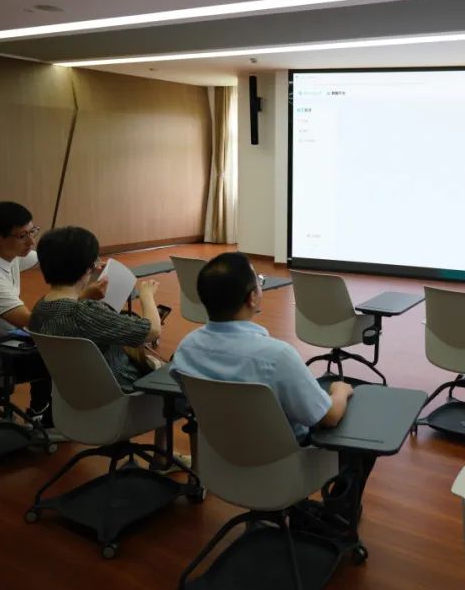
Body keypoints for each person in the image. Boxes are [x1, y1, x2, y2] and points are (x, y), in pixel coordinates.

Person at [171, 252, 357, 527]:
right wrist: (341, 391)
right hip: (282, 467)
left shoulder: (186, 349)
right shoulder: (277, 357)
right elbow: (327, 417)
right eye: (258, 281)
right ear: (252, 298)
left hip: (220, 460)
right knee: (356, 435)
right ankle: (335, 524)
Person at [0, 202, 104, 433]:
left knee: (53, 339)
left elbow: (48, 259)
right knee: (60, 349)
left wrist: (85, 263)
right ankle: (42, 416)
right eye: (23, 236)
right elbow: (35, 322)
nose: (31, 242)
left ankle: (43, 409)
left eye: (33, 232)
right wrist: (82, 296)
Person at [29, 226, 162, 393]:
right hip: (123, 392)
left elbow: (67, 314)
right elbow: (153, 331)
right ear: (89, 268)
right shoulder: (85, 312)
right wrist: (147, 295)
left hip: (72, 394)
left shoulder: (40, 308)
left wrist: (84, 294)